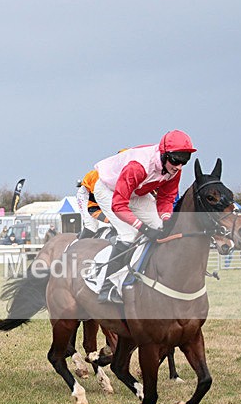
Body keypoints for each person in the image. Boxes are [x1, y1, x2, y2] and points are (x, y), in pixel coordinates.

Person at [92, 130, 197, 303]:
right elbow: (119, 205)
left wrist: (166, 218)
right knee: (129, 235)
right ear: (164, 154)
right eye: (176, 160)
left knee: (162, 228)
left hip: (136, 192)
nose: (179, 166)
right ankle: (106, 286)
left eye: (184, 161)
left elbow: (166, 198)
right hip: (108, 190)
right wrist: (143, 228)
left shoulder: (174, 170)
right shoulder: (138, 166)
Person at [75, 171, 108, 239]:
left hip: (101, 195)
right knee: (91, 226)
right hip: (87, 196)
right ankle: (80, 244)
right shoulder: (97, 178)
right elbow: (93, 209)